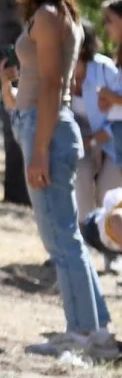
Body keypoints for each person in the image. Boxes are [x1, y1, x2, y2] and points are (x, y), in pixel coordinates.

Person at [0, 0, 115, 358]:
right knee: (66, 236)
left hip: (47, 131)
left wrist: (40, 150)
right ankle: (96, 330)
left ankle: (81, 332)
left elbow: (51, 86)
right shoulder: (56, 14)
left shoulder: (48, 16)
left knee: (61, 238)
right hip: (43, 127)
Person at [70, 21, 121, 227]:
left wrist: (93, 140)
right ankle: (84, 237)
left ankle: (109, 240)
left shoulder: (105, 69)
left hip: (113, 142)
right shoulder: (58, 71)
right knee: (80, 179)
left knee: (107, 194)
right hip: (80, 143)